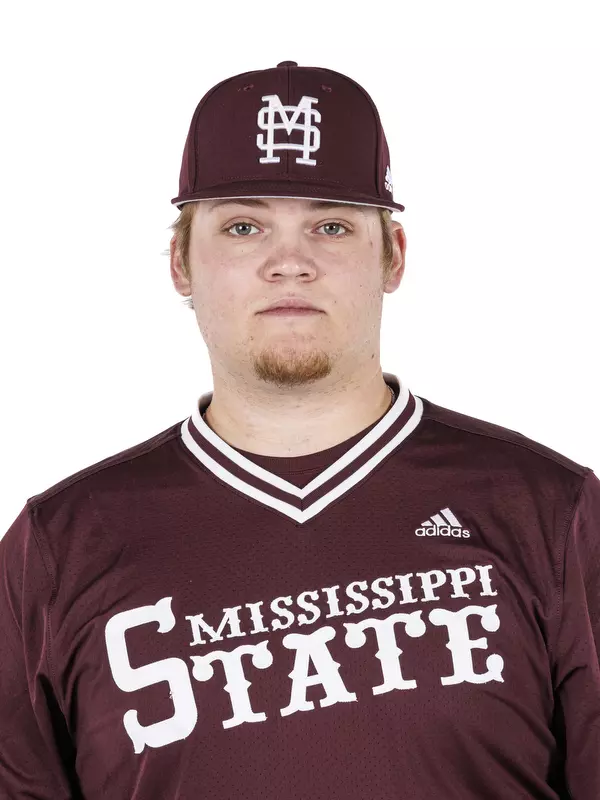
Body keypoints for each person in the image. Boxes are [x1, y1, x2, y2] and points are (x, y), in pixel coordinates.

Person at [0, 60, 598, 800]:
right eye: (245, 226)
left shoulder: (555, 514)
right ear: (182, 265)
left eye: (332, 224)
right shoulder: (57, 547)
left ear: (394, 257)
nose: (290, 263)